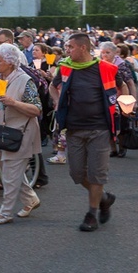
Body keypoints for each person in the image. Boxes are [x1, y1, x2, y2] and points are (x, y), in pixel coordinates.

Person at [50, 33, 123, 232]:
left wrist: (125, 103)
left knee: (96, 174)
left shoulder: (106, 68)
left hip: (99, 129)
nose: (67, 51)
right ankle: (104, 198)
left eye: (70, 47)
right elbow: (52, 86)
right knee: (76, 173)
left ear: (83, 48)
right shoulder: (66, 66)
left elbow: (123, 85)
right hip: (73, 128)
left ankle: (92, 213)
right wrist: (57, 100)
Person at [0, 43, 42, 225]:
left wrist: (14, 103)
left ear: (11, 62)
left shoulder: (25, 80)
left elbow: (37, 109)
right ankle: (30, 200)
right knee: (9, 170)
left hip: (21, 132)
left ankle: (5, 213)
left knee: (10, 174)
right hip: (2, 132)